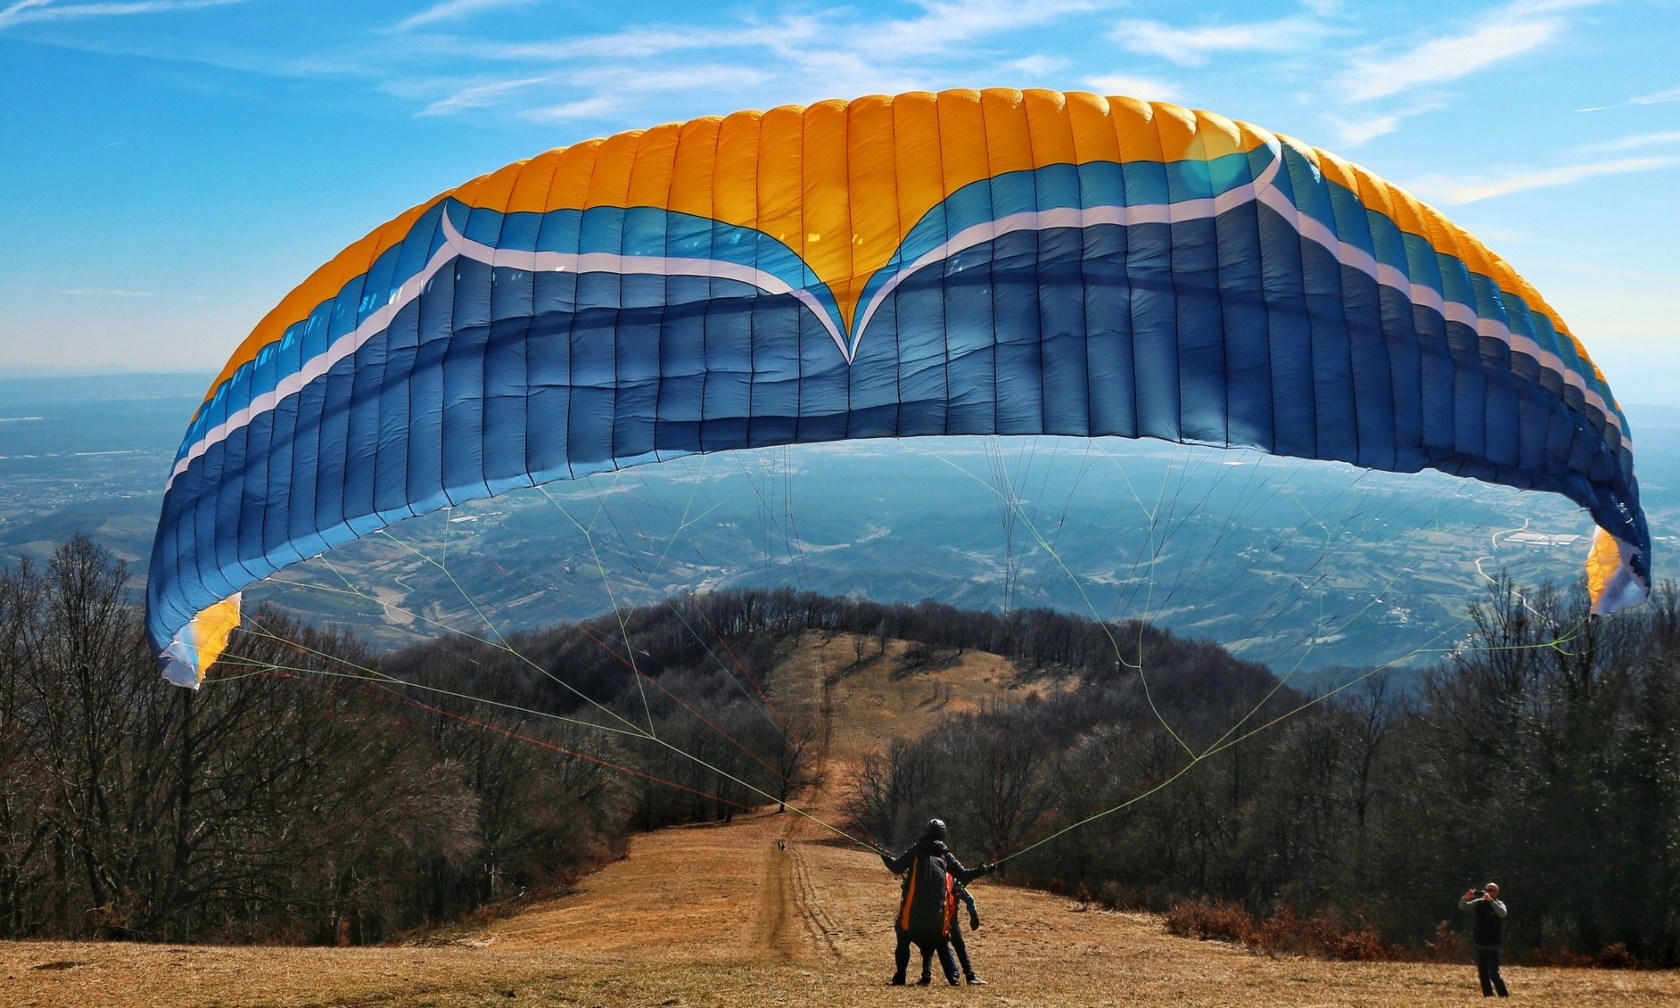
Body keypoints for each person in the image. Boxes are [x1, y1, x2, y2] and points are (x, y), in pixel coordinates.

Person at [879, 818, 995, 986]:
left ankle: (900, 977)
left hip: (912, 918)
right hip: (937, 919)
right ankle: (955, 978)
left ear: (926, 832)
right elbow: (963, 875)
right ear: (943, 834)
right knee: (943, 939)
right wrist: (983, 870)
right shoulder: (945, 854)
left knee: (902, 935)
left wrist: (883, 853)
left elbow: (896, 867)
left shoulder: (916, 849)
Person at [1459, 882, 1509, 997]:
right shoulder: (1478, 903)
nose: (1488, 891)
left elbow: (1502, 913)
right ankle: (1488, 994)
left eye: (1491, 890)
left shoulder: (1499, 903)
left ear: (1497, 893)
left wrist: (1491, 901)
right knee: (1482, 973)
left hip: (1493, 943)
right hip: (1479, 942)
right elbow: (1463, 906)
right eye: (1487, 889)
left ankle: (1504, 995)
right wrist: (1465, 898)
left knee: (1494, 973)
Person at [948, 877, 986, 985]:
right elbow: (969, 900)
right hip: (950, 919)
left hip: (946, 919)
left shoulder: (950, 880)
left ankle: (926, 976)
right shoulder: (953, 880)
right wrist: (973, 915)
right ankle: (969, 975)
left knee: (933, 947)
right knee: (958, 946)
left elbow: (969, 899)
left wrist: (974, 916)